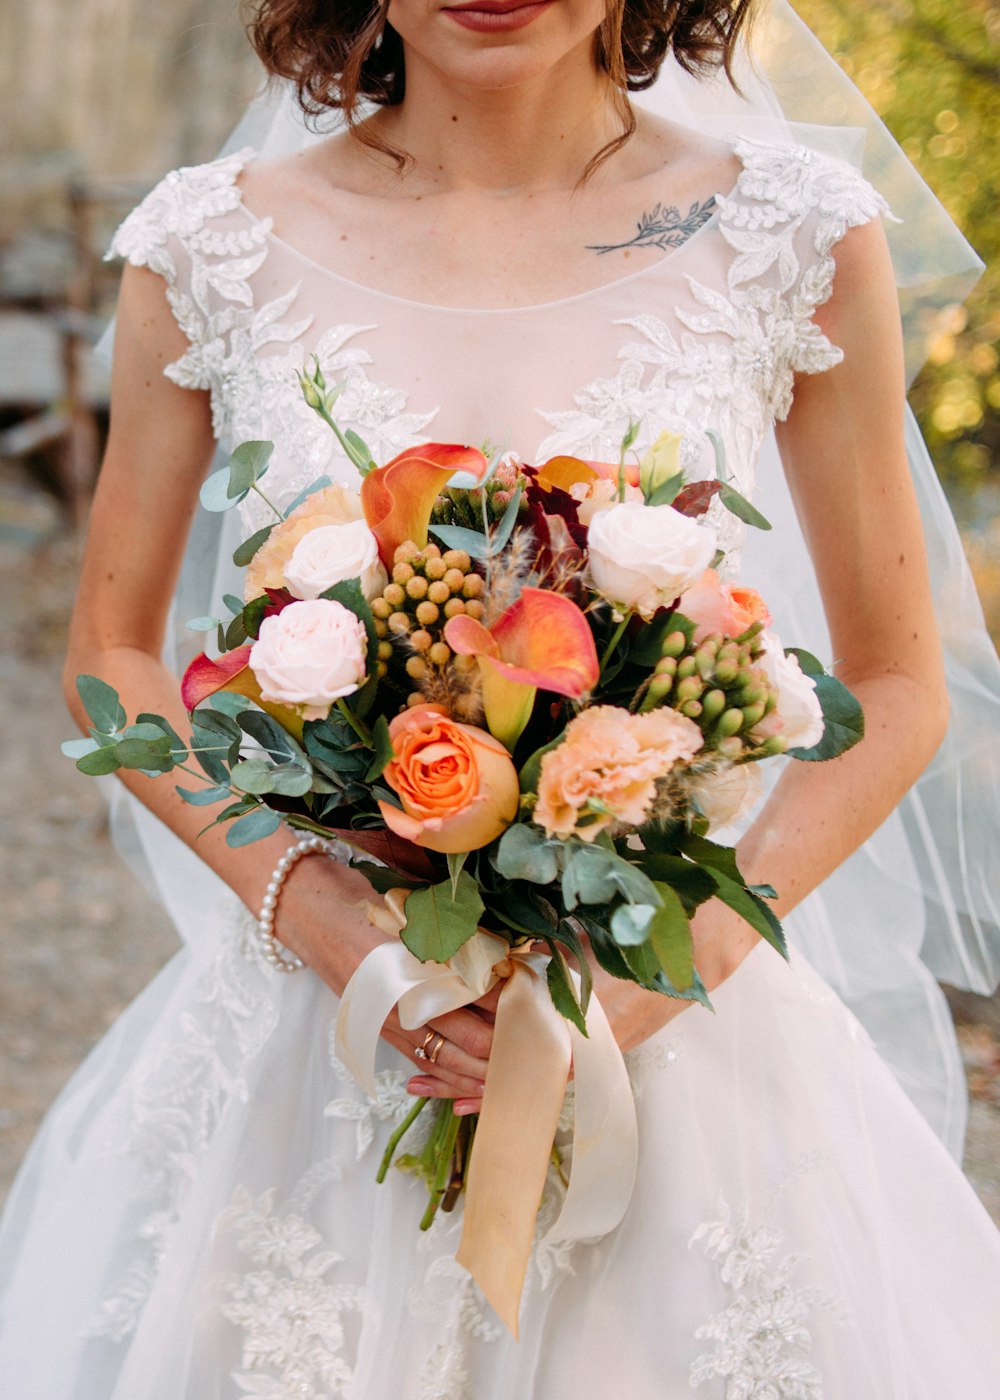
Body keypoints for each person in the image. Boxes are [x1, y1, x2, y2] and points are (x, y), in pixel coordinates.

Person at [2, 0, 1000, 1393]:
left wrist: (637, 992)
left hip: (678, 1019)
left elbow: (897, 686)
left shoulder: (795, 233)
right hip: (332, 1032)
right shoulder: (206, 246)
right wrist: (350, 940)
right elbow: (110, 652)